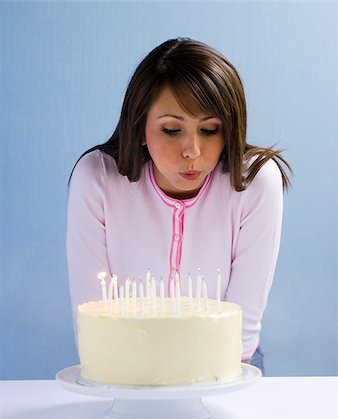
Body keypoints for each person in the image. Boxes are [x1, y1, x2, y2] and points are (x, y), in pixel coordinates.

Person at [67, 37, 292, 375]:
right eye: (172, 129)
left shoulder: (255, 182)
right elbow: (91, 315)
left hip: (227, 363)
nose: (192, 151)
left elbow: (241, 329)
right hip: (125, 367)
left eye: (210, 129)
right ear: (141, 127)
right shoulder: (97, 178)